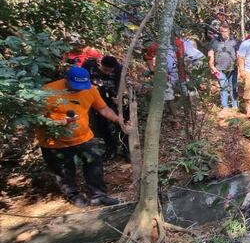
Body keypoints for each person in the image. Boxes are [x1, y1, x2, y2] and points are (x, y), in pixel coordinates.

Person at [37, 67, 127, 207]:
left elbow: (103, 108)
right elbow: (36, 119)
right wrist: (60, 122)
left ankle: (99, 194)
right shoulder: (47, 92)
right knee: (64, 170)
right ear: (66, 80)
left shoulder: (90, 89)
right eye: (75, 86)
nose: (78, 90)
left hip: (83, 137)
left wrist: (118, 120)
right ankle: (73, 194)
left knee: (94, 162)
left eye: (81, 87)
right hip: (55, 141)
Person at [82, 56, 127, 160]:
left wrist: (120, 95)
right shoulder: (89, 66)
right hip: (95, 98)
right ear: (99, 64)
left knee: (120, 121)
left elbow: (120, 81)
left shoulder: (118, 68)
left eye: (110, 71)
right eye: (105, 70)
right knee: (101, 125)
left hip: (112, 96)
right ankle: (110, 147)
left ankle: (124, 148)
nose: (107, 73)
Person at [144, 36, 187, 126]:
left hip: (179, 73)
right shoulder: (157, 45)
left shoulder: (178, 43)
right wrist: (152, 70)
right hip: (164, 75)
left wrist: (184, 72)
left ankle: (185, 115)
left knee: (186, 94)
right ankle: (175, 118)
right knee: (169, 96)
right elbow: (148, 56)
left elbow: (182, 58)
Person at [208, 24, 240, 112]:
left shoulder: (234, 42)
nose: (223, 34)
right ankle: (225, 106)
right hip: (219, 69)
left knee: (233, 86)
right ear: (219, 32)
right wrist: (212, 67)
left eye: (225, 32)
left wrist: (240, 67)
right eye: (221, 32)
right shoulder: (214, 42)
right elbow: (211, 55)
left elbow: (238, 55)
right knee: (223, 87)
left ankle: (235, 105)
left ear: (229, 32)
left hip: (233, 68)